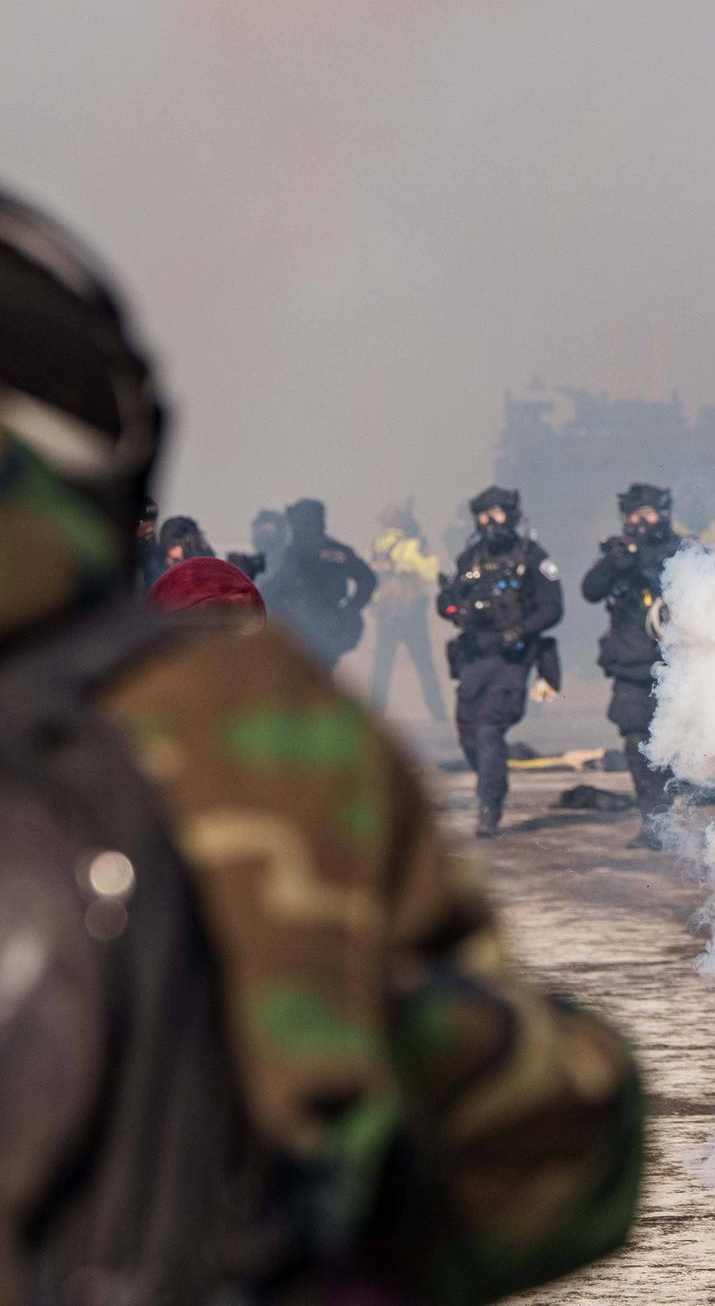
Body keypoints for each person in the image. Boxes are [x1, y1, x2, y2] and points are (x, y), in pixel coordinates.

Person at [0, 187, 643, 1302]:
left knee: (505, 740)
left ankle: (494, 793)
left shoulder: (461, 579)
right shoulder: (228, 720)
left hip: (522, 664)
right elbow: (544, 1157)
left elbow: (533, 601)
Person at [437, 486, 563, 837]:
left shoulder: (533, 557)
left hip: (513, 658)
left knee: (490, 728)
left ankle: (489, 806)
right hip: (475, 656)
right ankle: (491, 780)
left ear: (512, 514)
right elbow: (446, 599)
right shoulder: (469, 559)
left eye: (498, 513)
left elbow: (553, 607)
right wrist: (450, 605)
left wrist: (522, 629)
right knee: (467, 731)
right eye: (484, 514)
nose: (491, 521)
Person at [581, 483, 680, 831]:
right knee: (636, 742)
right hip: (631, 666)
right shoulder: (617, 554)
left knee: (674, 745)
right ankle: (652, 821)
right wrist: (614, 566)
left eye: (647, 513)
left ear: (662, 514)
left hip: (675, 667)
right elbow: (590, 591)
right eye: (634, 514)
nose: (640, 520)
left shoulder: (680, 550)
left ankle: (667, 816)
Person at [262, 497, 377, 673]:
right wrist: (350, 608)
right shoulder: (341, 550)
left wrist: (257, 595)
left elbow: (280, 584)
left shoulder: (298, 551)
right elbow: (368, 579)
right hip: (335, 625)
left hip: (305, 627)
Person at [369, 499, 447, 722]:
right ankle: (438, 712)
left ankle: (375, 714)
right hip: (410, 612)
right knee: (424, 665)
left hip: (385, 611)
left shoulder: (377, 545)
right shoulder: (410, 546)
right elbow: (429, 572)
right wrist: (427, 555)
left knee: (382, 665)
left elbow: (374, 578)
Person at [227, 505, 288, 585]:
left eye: (267, 529)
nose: (261, 533)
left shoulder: (286, 563)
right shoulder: (249, 564)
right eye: (257, 528)